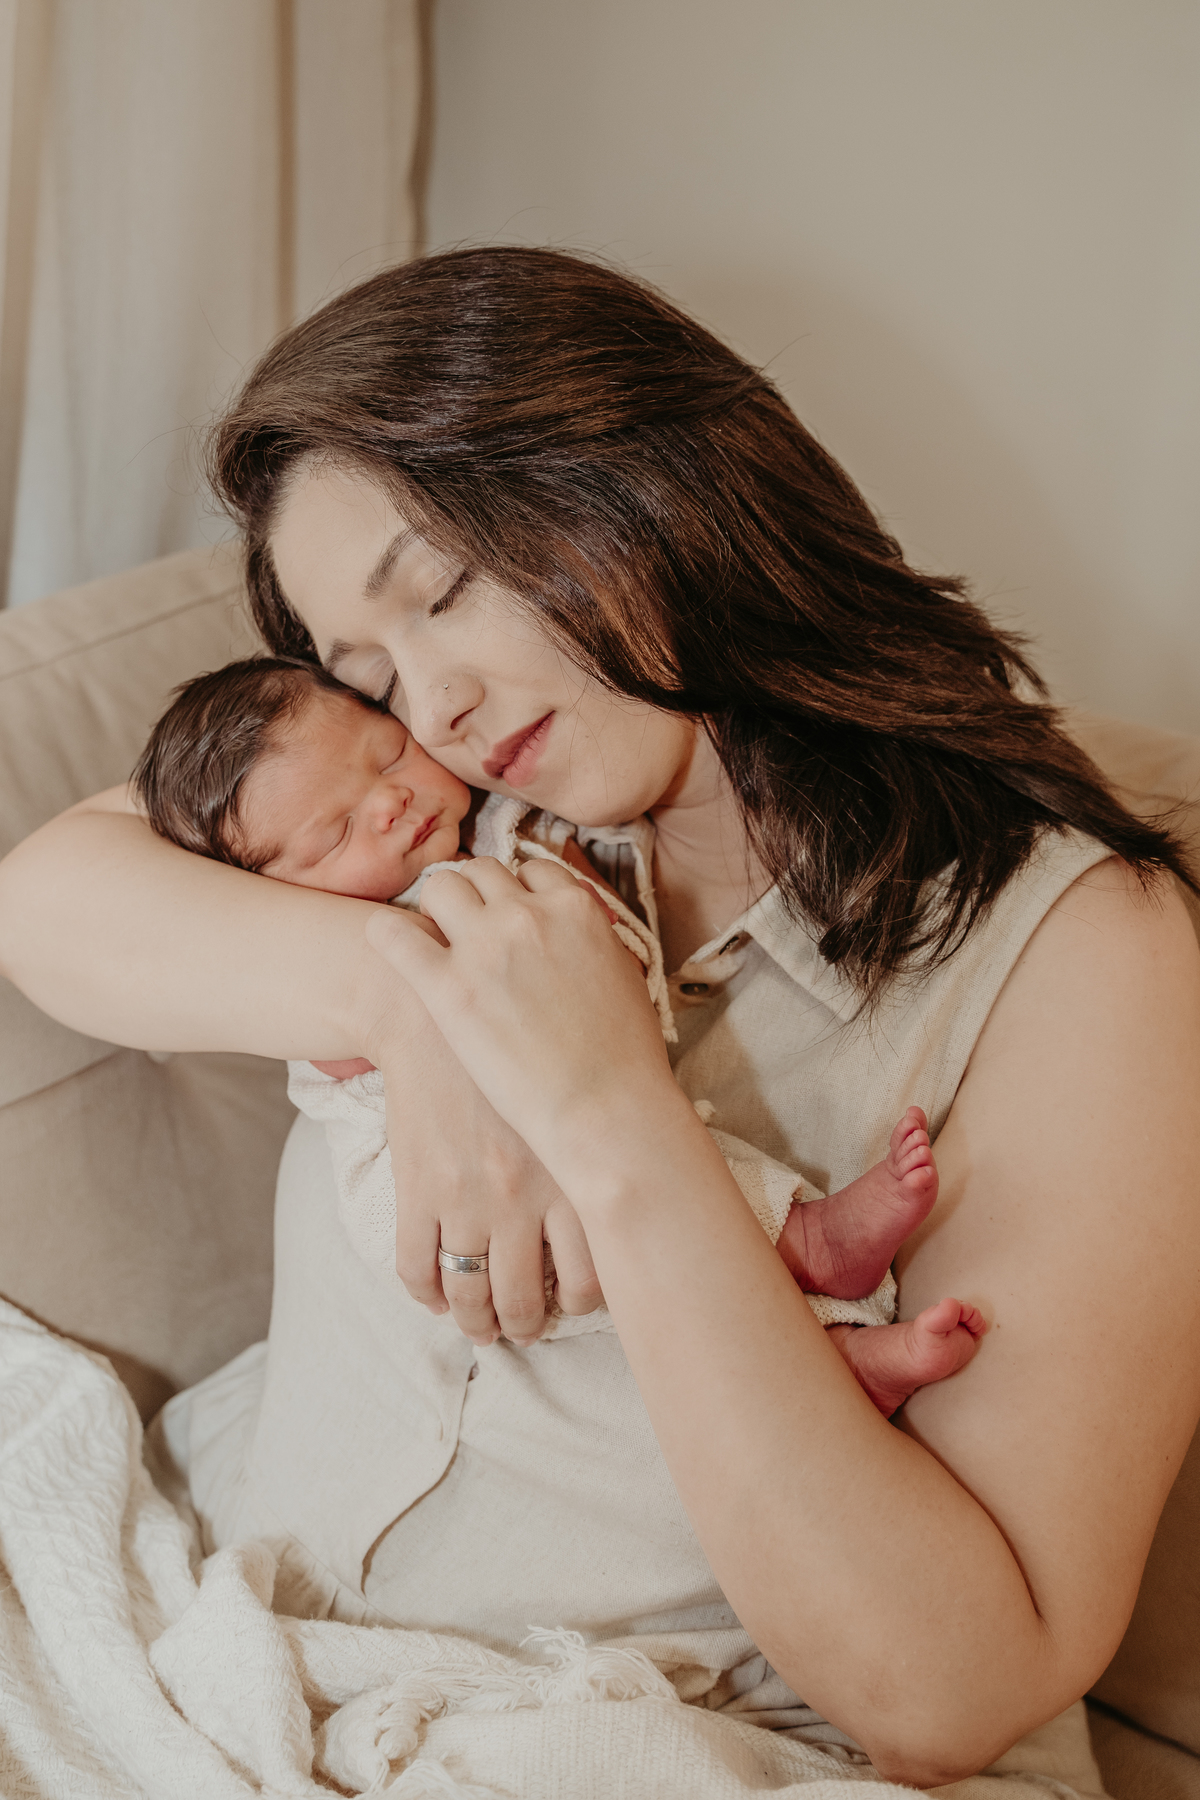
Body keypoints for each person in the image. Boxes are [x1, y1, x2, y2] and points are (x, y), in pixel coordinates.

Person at [2, 247, 1199, 1788]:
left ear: (646, 485)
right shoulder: (441, 812)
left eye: (443, 593)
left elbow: (953, 1685)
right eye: (368, 672)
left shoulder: (1083, 951)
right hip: (228, 1632)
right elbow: (50, 897)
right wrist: (415, 1005)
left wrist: (609, 1120)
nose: (429, 708)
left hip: (654, 1732)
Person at [132, 652, 984, 1417]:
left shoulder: (499, 825)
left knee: (661, 1168)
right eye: (336, 832)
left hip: (582, 1109)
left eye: (387, 756)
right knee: (594, 1248)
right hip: (417, 1187)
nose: (389, 802)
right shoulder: (348, 932)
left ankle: (832, 1333)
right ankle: (813, 1262)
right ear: (272, 893)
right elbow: (355, 1038)